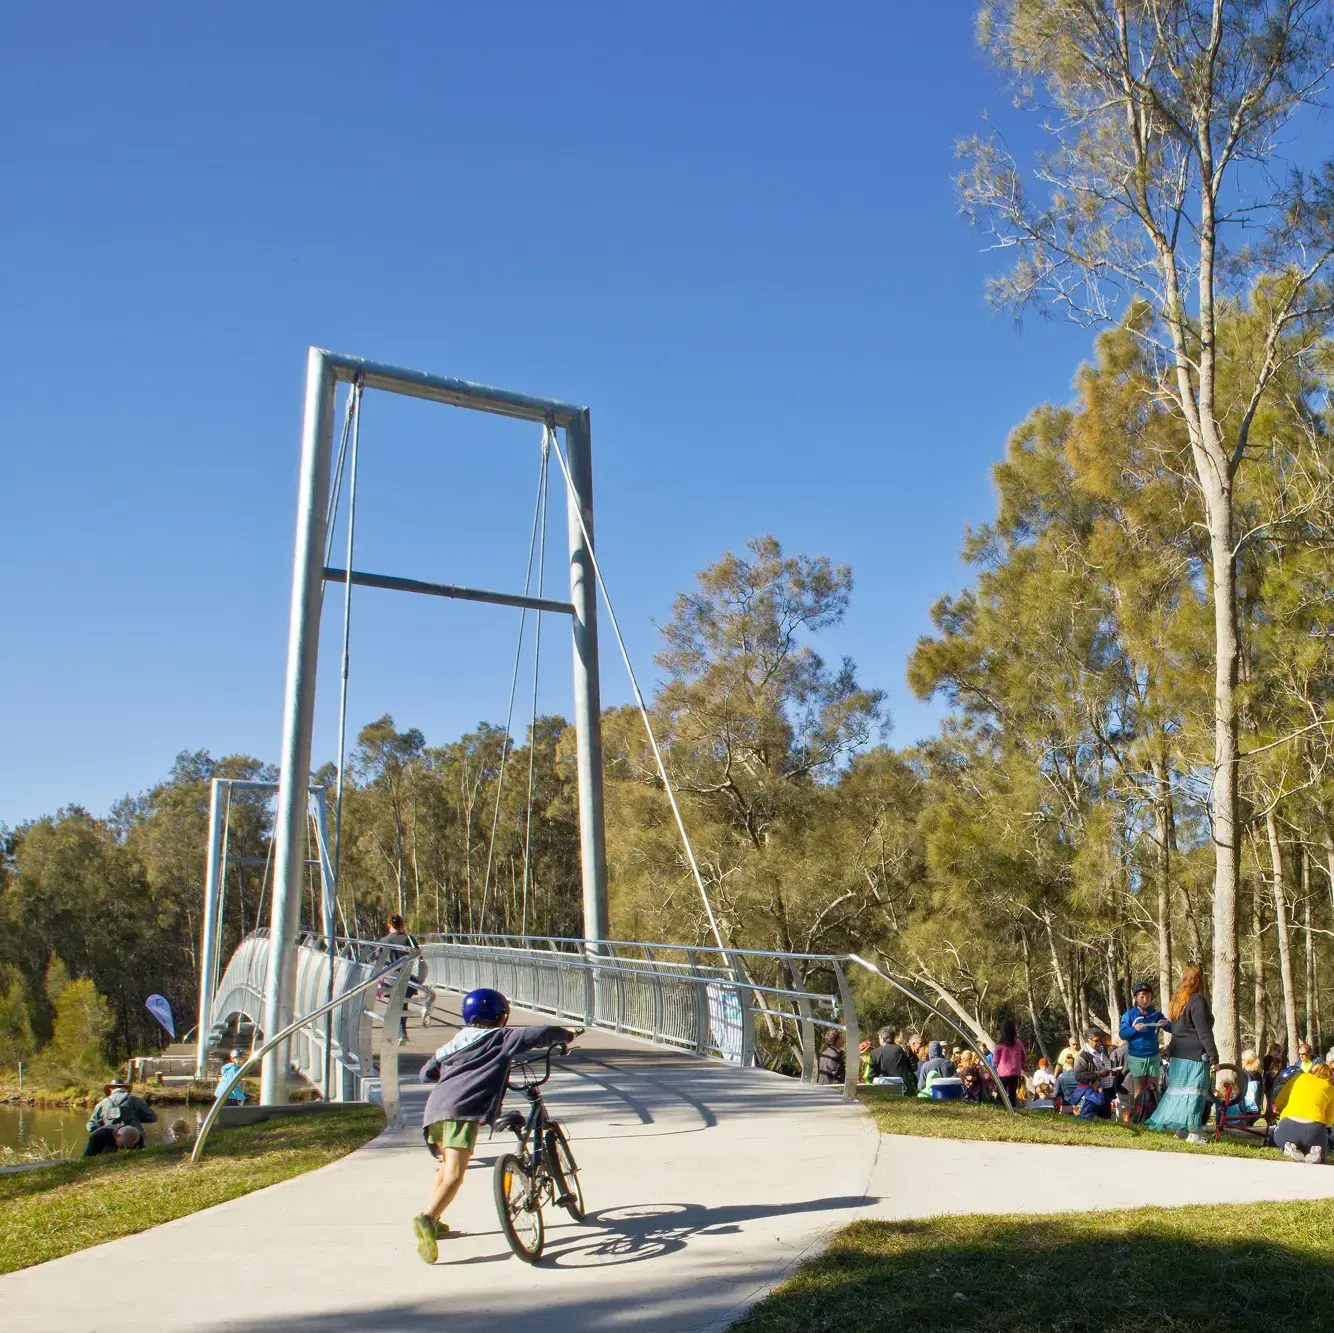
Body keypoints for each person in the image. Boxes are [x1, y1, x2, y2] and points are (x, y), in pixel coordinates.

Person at [412, 987, 579, 1263]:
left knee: (444, 1167)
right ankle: (427, 1218)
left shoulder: (453, 1043)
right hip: (461, 1112)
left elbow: (426, 1074)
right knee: (455, 1173)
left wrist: (458, 1073)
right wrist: (568, 1034)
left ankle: (435, 1218)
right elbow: (538, 1034)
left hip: (435, 1111)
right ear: (502, 1016)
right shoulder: (500, 1038)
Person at [1147, 962, 1218, 1143]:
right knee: (1196, 1093)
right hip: (1195, 1056)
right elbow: (1204, 1033)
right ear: (1199, 978)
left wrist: (1167, 1026)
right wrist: (1214, 1056)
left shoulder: (1178, 999)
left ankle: (1181, 1130)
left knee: (1180, 1093)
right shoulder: (1197, 1001)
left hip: (1177, 1055)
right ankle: (1194, 1133)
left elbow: (1178, 1029)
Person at [1271, 1061, 1334, 1163]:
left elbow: (1279, 1101)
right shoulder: (1330, 1088)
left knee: (1279, 1139)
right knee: (1318, 1142)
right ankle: (1315, 1150)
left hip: (1288, 1124)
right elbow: (1329, 1120)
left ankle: (1290, 1146)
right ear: (1329, 1076)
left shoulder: (1298, 1077)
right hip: (1314, 1129)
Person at [376, 915, 422, 1045]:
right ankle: (401, 1032)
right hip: (407, 977)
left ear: (389, 924)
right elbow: (418, 955)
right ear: (402, 924)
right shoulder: (409, 939)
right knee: (403, 1005)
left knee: (394, 1005)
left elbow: (379, 960)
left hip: (391, 978)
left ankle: (399, 1033)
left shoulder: (384, 940)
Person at [1119, 981, 1168, 1102]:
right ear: (1135, 997)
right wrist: (1134, 1029)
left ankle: (1152, 1114)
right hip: (1137, 1057)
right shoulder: (1129, 1015)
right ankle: (1138, 1116)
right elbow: (1122, 1034)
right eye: (1142, 996)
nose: (1145, 999)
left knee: (1154, 1087)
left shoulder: (1156, 1014)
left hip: (1153, 1056)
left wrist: (1166, 1023)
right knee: (1139, 1089)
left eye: (1148, 997)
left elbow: (1170, 1028)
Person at [84, 1077, 157, 1157]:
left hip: (110, 1143)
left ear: (111, 1089)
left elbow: (90, 1125)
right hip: (135, 1141)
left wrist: (101, 1129)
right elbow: (153, 1118)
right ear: (125, 1088)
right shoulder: (136, 1100)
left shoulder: (102, 1103)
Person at [991, 1019, 1026, 1105]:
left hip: (1003, 1072)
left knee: (1001, 1092)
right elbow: (1024, 1055)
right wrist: (1021, 1064)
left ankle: (1000, 1105)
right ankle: (1012, 1107)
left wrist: (997, 1065)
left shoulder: (1000, 1044)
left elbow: (995, 1058)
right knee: (1012, 1092)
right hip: (1015, 1071)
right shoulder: (1018, 1043)